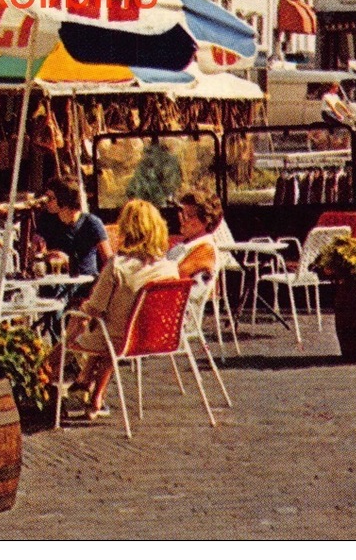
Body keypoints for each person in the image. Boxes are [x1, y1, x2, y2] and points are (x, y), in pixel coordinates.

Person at [54, 198, 179, 418]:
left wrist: (81, 310)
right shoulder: (169, 268)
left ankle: (66, 377)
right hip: (151, 338)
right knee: (110, 324)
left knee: (85, 318)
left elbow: (94, 309)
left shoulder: (117, 266)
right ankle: (90, 389)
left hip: (116, 339)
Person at [34, 178, 112, 278]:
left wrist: (68, 261)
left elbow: (109, 261)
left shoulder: (91, 223)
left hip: (84, 283)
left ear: (64, 200)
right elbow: (38, 254)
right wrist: (45, 255)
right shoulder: (47, 221)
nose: (47, 202)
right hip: (54, 283)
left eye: (51, 198)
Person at [166, 191, 225, 279]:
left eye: (189, 216)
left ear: (206, 221)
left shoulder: (206, 248)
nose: (182, 219)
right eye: (182, 214)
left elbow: (174, 276)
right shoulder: (186, 243)